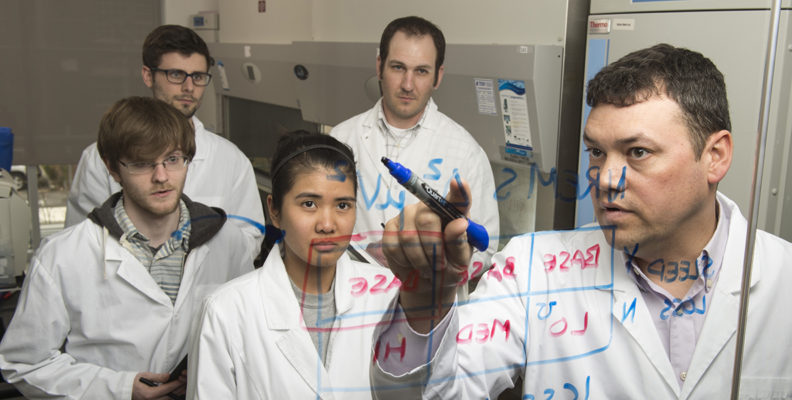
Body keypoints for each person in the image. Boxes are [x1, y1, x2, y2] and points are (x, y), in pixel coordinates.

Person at [370, 44, 792, 398]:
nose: (606, 179)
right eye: (596, 152)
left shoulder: (783, 279)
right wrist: (425, 304)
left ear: (714, 156)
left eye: (638, 152)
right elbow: (435, 393)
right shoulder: (533, 269)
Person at [0, 97, 254, 399]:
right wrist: (119, 388)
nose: (161, 176)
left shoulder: (229, 242)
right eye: (142, 163)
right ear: (113, 169)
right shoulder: (63, 256)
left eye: (173, 159)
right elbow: (25, 362)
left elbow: (246, 341)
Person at [187, 132, 398, 399]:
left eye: (343, 205)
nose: (327, 225)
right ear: (274, 211)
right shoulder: (226, 311)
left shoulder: (389, 294)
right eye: (309, 204)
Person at [65, 24, 264, 257]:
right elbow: (80, 242)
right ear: (148, 75)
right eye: (176, 74)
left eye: (198, 76)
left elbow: (249, 240)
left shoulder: (231, 160)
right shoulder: (100, 158)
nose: (189, 87)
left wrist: (194, 264)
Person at [330, 16, 499, 268]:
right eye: (398, 67)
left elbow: (486, 251)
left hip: (427, 297)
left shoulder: (466, 152)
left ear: (437, 76)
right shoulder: (340, 139)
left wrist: (443, 259)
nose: (408, 84)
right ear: (379, 67)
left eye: (421, 71)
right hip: (352, 297)